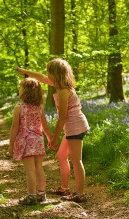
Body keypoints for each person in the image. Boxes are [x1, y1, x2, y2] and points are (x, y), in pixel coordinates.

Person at [15, 59, 91, 202]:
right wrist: (25, 72)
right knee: (61, 156)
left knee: (76, 160)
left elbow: (62, 118)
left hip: (75, 127)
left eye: (49, 72)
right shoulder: (59, 85)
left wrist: (54, 138)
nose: (47, 75)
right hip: (71, 128)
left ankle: (80, 194)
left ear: (56, 74)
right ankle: (64, 188)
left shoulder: (63, 92)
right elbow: (40, 77)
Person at [9, 78, 53, 205]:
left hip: (26, 141)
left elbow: (14, 128)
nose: (19, 90)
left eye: (20, 88)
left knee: (30, 170)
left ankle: (31, 196)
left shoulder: (19, 108)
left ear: (24, 92)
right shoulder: (39, 108)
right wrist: (50, 140)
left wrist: (11, 145)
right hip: (38, 140)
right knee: (39, 168)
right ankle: (41, 195)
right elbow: (45, 127)